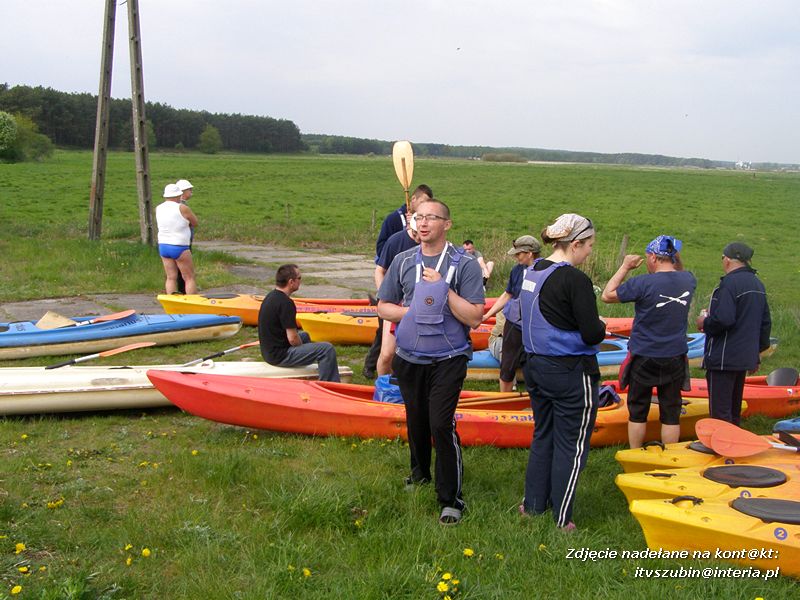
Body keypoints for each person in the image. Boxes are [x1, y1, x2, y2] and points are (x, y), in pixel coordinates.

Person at [377, 198, 484, 525]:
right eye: (418, 218)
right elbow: (383, 306)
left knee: (440, 422)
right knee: (417, 419)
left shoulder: (464, 263)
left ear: (446, 224)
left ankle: (450, 498)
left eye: (431, 218)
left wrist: (443, 291)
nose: (423, 224)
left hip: (448, 358)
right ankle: (420, 473)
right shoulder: (403, 260)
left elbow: (476, 317)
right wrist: (413, 312)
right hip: (409, 356)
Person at [518, 213, 605, 531]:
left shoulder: (532, 270)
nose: (590, 252)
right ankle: (562, 518)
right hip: (570, 371)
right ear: (576, 243)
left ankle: (533, 505)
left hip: (535, 367)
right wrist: (603, 326)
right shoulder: (575, 280)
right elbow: (593, 333)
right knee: (572, 443)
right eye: (590, 245)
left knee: (543, 435)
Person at [601, 235, 696, 448]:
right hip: (675, 354)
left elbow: (607, 295)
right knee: (671, 410)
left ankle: (636, 452)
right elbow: (678, 269)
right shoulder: (688, 279)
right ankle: (670, 455)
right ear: (673, 257)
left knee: (638, 409)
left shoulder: (643, 283)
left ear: (653, 257)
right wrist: (674, 256)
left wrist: (625, 267)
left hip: (644, 354)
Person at [696, 242, 771, 425]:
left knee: (720, 413)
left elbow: (724, 319)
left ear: (728, 260)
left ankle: (723, 450)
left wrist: (704, 322)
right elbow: (765, 323)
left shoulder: (729, 284)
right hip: (744, 358)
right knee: (733, 410)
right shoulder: (758, 284)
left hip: (723, 358)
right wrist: (756, 354)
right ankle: (734, 446)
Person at [363, 184, 432, 379]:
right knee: (386, 353)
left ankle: (404, 386)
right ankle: (383, 386)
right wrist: (384, 295)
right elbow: (380, 270)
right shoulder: (396, 241)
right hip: (394, 302)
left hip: (418, 304)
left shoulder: (431, 244)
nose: (422, 240)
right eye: (418, 236)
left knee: (412, 353)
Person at [258, 264, 341, 382]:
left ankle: (312, 368)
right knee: (326, 349)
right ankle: (330, 386)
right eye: (299, 278)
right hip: (279, 356)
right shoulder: (286, 303)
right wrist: (303, 347)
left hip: (269, 351)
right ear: (291, 282)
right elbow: (292, 339)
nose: (300, 281)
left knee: (305, 335)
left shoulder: (271, 296)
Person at [482, 235, 541, 392]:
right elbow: (507, 294)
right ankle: (504, 399)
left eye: (519, 253)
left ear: (529, 253)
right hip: (514, 324)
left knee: (535, 364)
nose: (516, 257)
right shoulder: (516, 270)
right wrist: (487, 315)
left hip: (535, 326)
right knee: (507, 364)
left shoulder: (545, 270)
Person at [156, 183, 198, 294]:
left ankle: (173, 304)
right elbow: (195, 222)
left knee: (170, 277)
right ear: (178, 195)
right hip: (179, 245)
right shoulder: (183, 208)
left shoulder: (158, 208)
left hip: (163, 245)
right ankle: (191, 304)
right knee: (189, 277)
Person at [174, 179, 194, 294]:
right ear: (183, 191)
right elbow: (193, 222)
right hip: (183, 242)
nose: (191, 192)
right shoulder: (182, 206)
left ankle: (179, 289)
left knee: (174, 271)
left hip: (171, 242)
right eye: (189, 190)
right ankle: (185, 291)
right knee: (186, 271)